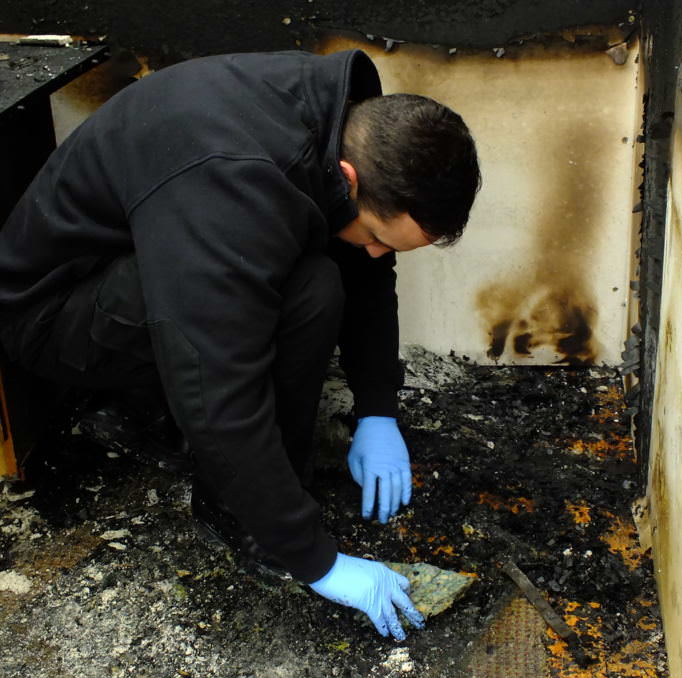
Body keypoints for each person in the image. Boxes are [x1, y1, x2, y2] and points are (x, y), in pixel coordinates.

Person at [0, 49, 480, 640]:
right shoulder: (228, 186)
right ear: (350, 179)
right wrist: (314, 559)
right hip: (50, 314)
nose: (380, 252)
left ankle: (190, 431)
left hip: (142, 259)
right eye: (382, 236)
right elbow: (219, 388)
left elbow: (368, 272)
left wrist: (378, 406)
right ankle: (233, 507)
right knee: (293, 302)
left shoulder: (344, 126)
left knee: (328, 275)